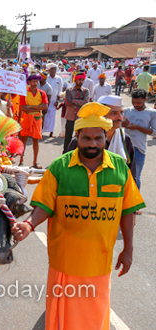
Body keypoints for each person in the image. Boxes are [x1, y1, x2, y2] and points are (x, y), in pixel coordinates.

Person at [12, 102, 145, 330]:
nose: (93, 144)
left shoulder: (120, 168)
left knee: (94, 318)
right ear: (77, 136)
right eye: (87, 138)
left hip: (99, 263)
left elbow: (128, 210)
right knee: (62, 320)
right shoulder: (60, 168)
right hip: (64, 262)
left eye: (98, 138)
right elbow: (44, 205)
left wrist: (128, 249)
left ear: (106, 137)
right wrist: (29, 224)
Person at [68, 95, 136, 177]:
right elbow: (67, 170)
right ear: (100, 115)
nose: (120, 117)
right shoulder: (81, 141)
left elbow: (131, 172)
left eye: (121, 113)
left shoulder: (125, 139)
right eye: (114, 113)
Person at [122, 88, 156, 193]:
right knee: (121, 176)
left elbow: (154, 132)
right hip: (123, 148)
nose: (136, 105)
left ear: (145, 99)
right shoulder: (127, 111)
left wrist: (137, 127)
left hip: (138, 149)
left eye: (139, 103)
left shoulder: (152, 113)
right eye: (134, 102)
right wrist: (124, 124)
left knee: (135, 177)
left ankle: (135, 206)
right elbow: (119, 126)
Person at [19, 74, 49, 168]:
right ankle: (21, 160)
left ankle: (35, 162)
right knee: (23, 139)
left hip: (37, 118)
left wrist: (30, 107)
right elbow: (23, 107)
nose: (35, 83)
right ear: (29, 82)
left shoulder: (42, 93)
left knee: (36, 140)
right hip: (27, 117)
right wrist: (36, 108)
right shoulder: (24, 93)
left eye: (36, 81)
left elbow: (45, 106)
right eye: (33, 81)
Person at [63, 72, 90, 153]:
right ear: (76, 80)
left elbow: (86, 102)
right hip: (70, 116)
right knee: (68, 136)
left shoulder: (86, 91)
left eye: (82, 80)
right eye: (79, 80)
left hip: (81, 118)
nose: (81, 81)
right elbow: (67, 103)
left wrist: (74, 101)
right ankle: (65, 152)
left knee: (80, 136)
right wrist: (79, 102)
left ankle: (79, 153)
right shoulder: (69, 90)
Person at [45, 63, 62, 137]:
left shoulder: (59, 79)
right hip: (45, 100)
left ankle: (51, 132)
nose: (54, 70)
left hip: (54, 100)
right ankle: (42, 131)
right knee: (44, 116)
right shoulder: (46, 78)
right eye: (52, 69)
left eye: (55, 69)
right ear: (49, 70)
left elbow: (60, 90)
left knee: (52, 117)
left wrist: (57, 101)